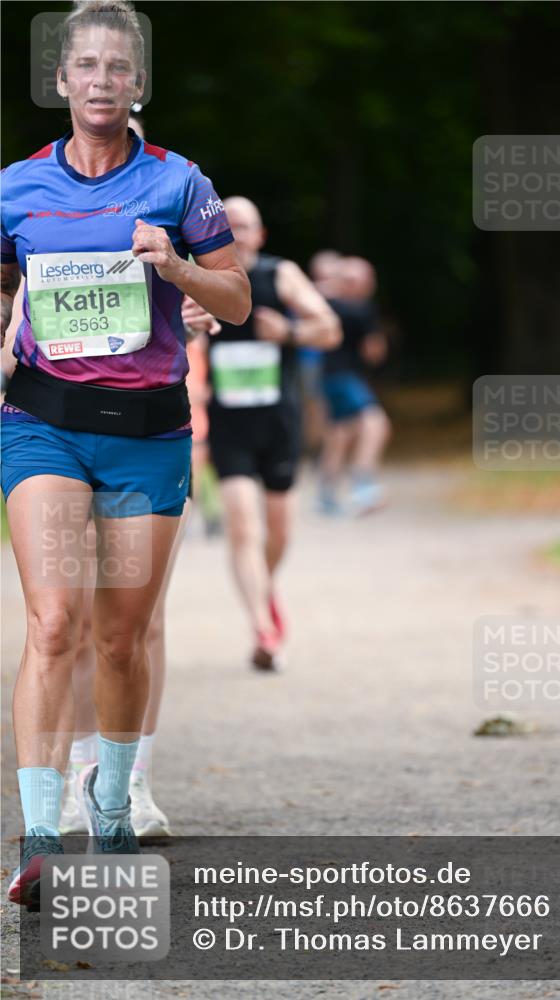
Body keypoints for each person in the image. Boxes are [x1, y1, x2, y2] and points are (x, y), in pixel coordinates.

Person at [1, 0, 250, 908]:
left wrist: (178, 268)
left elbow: (237, 301)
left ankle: (109, 809)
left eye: (119, 69)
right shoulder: (14, 189)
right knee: (54, 621)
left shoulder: (179, 184)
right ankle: (38, 836)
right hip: (44, 423)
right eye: (86, 67)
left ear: (137, 84)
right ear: (61, 80)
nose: (102, 82)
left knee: (117, 636)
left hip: (147, 433)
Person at [57, 118, 222, 841]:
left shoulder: (170, 208)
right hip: (60, 433)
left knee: (138, 621)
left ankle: (130, 780)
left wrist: (191, 300)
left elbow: (212, 298)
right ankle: (74, 777)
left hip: (147, 433)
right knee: (71, 620)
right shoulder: (47, 221)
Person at [206, 197, 340, 670]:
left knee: (279, 531)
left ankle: (265, 590)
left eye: (245, 227)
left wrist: (288, 332)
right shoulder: (202, 279)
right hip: (228, 424)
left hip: (278, 421)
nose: (237, 235)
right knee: (243, 525)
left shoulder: (280, 275)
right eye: (229, 226)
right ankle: (263, 628)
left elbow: (330, 328)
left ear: (260, 234)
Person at [316, 256, 391, 515]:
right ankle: (363, 484)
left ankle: (326, 496)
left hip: (328, 377)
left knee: (339, 434)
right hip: (345, 377)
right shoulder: (361, 309)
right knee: (375, 422)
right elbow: (374, 352)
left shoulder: (323, 302)